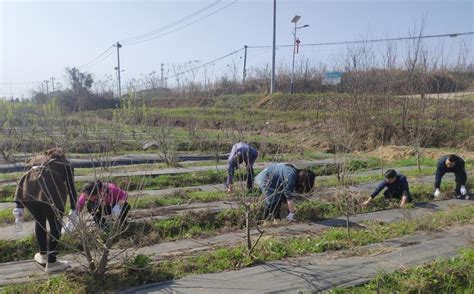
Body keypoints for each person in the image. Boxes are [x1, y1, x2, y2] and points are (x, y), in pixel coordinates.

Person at [13, 147, 77, 273]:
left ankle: (43, 255)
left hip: (28, 194)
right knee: (55, 225)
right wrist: (74, 208)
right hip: (52, 195)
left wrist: (19, 205)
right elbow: (71, 188)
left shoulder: (34, 160)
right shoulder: (65, 164)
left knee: (39, 221)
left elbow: (25, 177)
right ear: (62, 155)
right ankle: (52, 262)